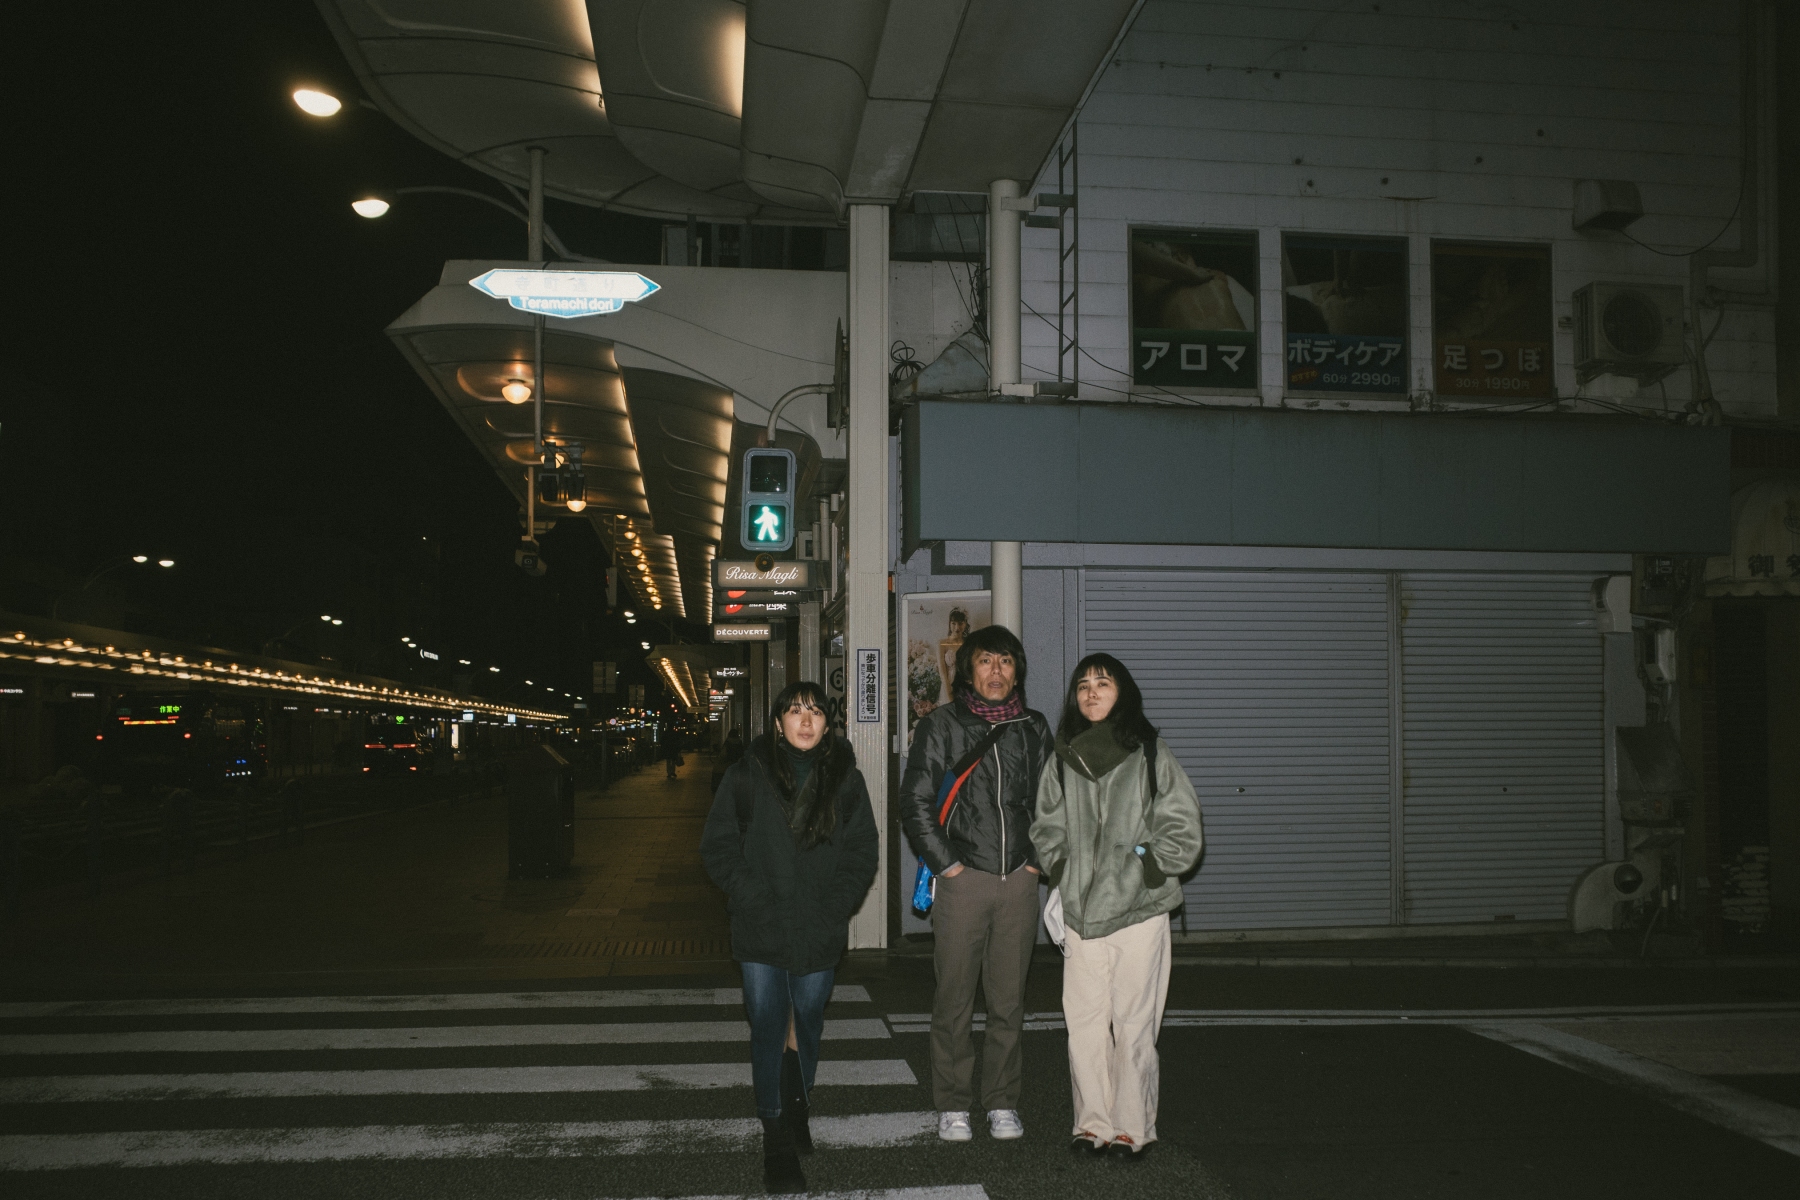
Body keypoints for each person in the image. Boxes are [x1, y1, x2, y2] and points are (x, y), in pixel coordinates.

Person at [700, 682, 878, 1194]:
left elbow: (862, 851)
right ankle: (775, 1134)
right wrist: (752, 897)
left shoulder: (846, 779)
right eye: (795, 711)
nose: (805, 720)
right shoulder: (746, 775)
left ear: (827, 723)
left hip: (819, 925)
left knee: (809, 1018)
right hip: (760, 925)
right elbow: (717, 847)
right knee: (767, 1025)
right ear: (777, 723)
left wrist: (835, 907)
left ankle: (798, 1103)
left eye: (815, 712)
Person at [1030, 653, 1204, 1163]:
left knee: (1134, 1021)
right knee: (1084, 1022)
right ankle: (1092, 1124)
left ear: (1122, 692)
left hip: (1139, 909)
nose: (1091, 692)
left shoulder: (1149, 750)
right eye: (1083, 685)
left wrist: (1148, 863)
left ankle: (1133, 1126)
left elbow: (1183, 824)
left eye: (1102, 683)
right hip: (1082, 913)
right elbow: (1045, 826)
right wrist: (1063, 869)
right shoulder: (1063, 757)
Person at [898, 623, 1052, 1143]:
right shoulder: (942, 725)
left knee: (1008, 1001)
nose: (996, 671)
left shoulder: (1033, 726)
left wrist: (1036, 864)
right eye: (985, 661)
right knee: (955, 999)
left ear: (1017, 672)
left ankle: (1002, 1102)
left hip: (1019, 883)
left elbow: (1053, 803)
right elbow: (915, 801)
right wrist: (949, 866)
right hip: (963, 881)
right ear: (968, 670)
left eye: (1005, 661)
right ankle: (953, 1103)